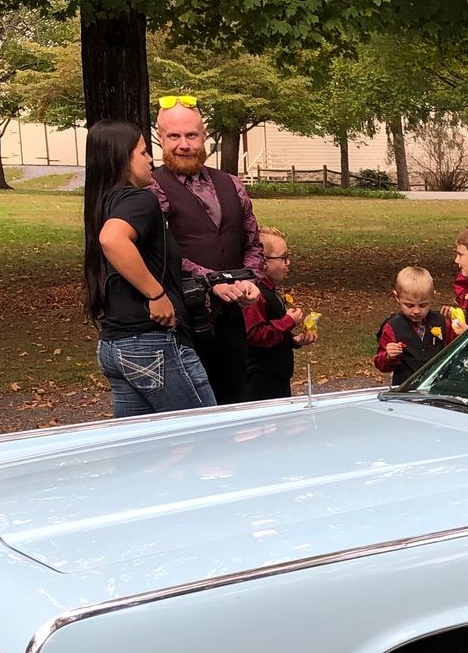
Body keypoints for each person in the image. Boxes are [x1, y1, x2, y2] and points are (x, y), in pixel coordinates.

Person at [83, 118, 213, 417]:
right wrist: (156, 294)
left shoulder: (102, 202)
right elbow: (113, 240)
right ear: (121, 158)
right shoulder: (139, 200)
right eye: (142, 153)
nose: (150, 160)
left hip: (115, 346)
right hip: (153, 343)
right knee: (207, 435)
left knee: (143, 452)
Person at [147, 98, 263, 405]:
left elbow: (252, 243)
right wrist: (212, 280)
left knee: (234, 407)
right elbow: (160, 253)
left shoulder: (232, 185)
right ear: (160, 137)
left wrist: (251, 280)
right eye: (174, 136)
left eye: (191, 135)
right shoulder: (151, 188)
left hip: (233, 323)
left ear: (204, 134)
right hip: (182, 323)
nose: (183, 145)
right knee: (191, 415)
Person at [243, 226, 315, 400]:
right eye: (283, 257)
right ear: (263, 262)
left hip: (277, 377)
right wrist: (288, 321)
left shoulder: (270, 290)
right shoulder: (255, 294)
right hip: (260, 382)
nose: (288, 262)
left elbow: (272, 334)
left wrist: (294, 340)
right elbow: (255, 335)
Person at [375, 266, 459, 384]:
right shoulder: (392, 327)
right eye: (409, 305)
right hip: (406, 390)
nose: (416, 311)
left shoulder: (442, 323)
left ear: (432, 297)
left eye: (423, 305)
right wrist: (388, 356)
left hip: (437, 387)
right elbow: (381, 364)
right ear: (397, 298)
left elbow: (457, 351)